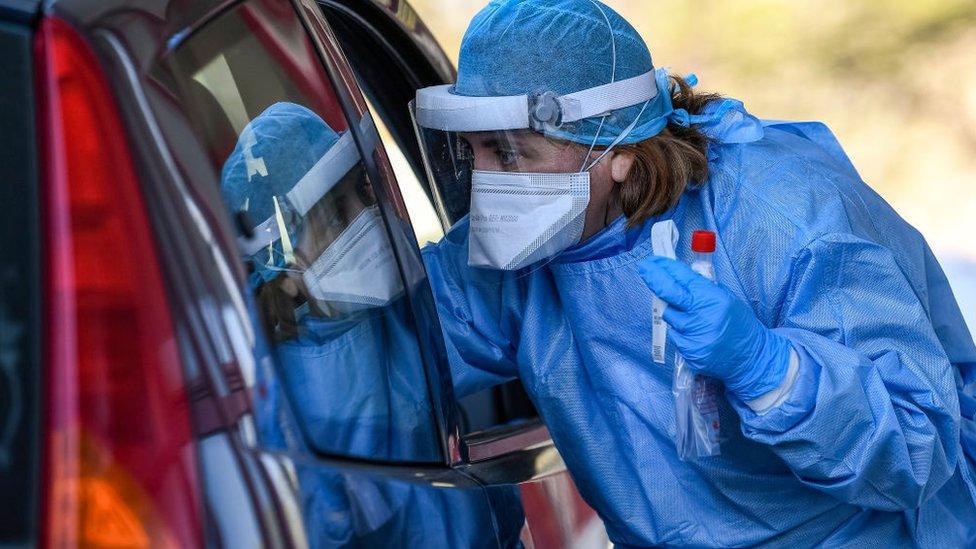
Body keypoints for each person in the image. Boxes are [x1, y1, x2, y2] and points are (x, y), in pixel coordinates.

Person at [413, 0, 976, 546]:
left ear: (618, 151)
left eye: (509, 153)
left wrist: (772, 372)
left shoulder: (790, 222)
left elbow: (918, 451)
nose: (486, 184)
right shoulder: (520, 254)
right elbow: (392, 353)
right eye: (472, 153)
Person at [220, 102, 523, 547]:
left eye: (362, 191)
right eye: (338, 216)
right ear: (283, 272)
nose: (367, 217)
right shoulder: (275, 400)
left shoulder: (409, 309)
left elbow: (509, 277)